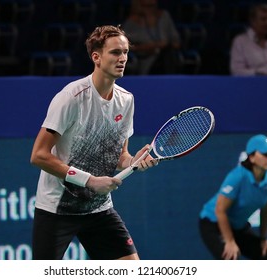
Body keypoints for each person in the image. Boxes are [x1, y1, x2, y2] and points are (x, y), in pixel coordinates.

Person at [30, 25, 157, 260]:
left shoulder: (126, 100)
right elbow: (38, 155)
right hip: (58, 208)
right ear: (96, 57)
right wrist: (89, 181)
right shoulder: (71, 98)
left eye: (126, 52)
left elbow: (120, 157)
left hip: (98, 209)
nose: (123, 59)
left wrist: (134, 160)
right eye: (115, 52)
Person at [199, 134, 267, 260]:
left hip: (238, 227)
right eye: (265, 155)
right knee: (231, 258)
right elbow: (220, 211)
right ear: (252, 157)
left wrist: (263, 239)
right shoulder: (237, 177)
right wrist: (230, 241)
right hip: (213, 223)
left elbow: (266, 210)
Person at [122, 0, 181, 75]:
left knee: (168, 54)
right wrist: (147, 47)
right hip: (143, 59)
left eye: (152, 6)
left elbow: (176, 43)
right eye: (146, 6)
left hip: (163, 57)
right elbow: (124, 47)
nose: (149, 10)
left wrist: (163, 45)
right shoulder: (131, 23)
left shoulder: (164, 17)